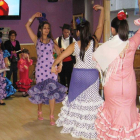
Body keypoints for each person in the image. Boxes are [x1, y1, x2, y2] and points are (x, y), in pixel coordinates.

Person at [51, 5, 104, 139]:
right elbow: (100, 27)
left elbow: (60, 57)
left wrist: (54, 66)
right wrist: (102, 11)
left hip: (78, 75)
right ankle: (90, 124)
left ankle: (76, 123)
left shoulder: (75, 45)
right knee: (91, 101)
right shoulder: (94, 41)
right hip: (91, 75)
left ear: (79, 32)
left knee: (76, 100)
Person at [93, 9, 140, 139]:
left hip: (112, 87)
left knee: (112, 116)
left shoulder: (107, 46)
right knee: (128, 116)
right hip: (129, 87)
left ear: (113, 30)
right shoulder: (132, 43)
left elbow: (95, 59)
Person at [25, 12, 67, 125]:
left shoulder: (52, 42)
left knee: (52, 92)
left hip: (51, 69)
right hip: (40, 70)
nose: (47, 30)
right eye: (44, 28)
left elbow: (59, 54)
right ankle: (39, 110)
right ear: (40, 29)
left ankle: (52, 115)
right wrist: (33, 16)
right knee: (41, 91)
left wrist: (60, 65)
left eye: (48, 28)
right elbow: (27, 26)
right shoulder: (36, 40)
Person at [0, 39, 7, 105]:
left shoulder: (2, 52)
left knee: (1, 85)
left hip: (1, 70)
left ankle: (1, 99)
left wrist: (4, 70)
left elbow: (3, 62)